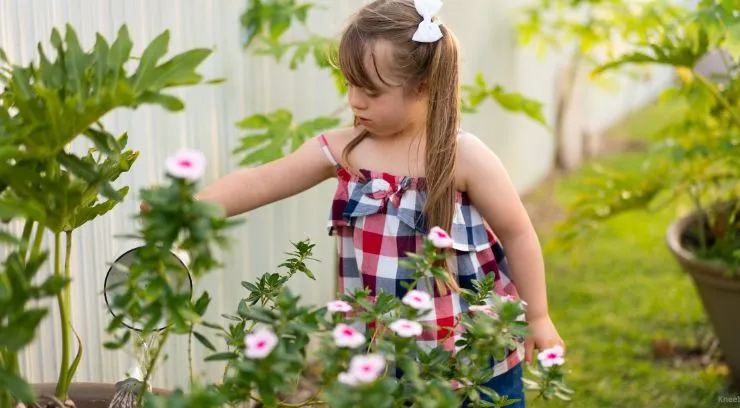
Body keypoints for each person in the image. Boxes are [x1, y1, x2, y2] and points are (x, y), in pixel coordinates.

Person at [178, 0, 564, 404]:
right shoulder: (348, 150)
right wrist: (191, 204)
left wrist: (537, 315)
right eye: (349, 84)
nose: (354, 101)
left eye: (370, 91)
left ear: (424, 87)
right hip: (383, 355)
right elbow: (261, 180)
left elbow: (517, 233)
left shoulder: (461, 156)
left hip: (475, 353)